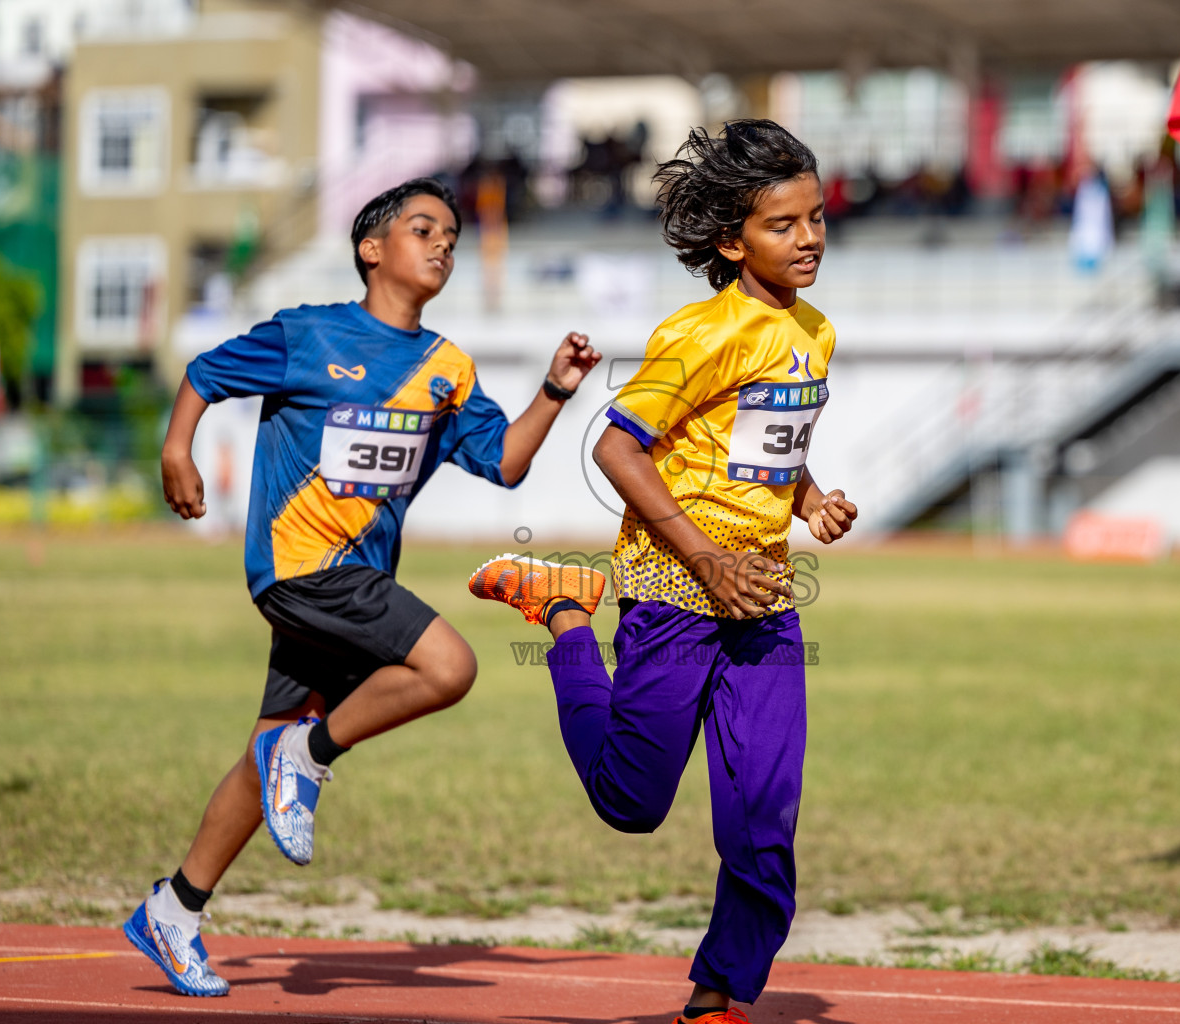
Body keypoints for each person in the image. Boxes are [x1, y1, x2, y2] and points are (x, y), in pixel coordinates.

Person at [123, 177, 600, 997]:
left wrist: (555, 390)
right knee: (449, 667)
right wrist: (177, 450)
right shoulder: (307, 335)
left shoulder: (446, 369)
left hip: (355, 581)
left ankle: (174, 907)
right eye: (425, 229)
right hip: (300, 567)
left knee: (262, 749)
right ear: (371, 249)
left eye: (451, 234)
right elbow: (205, 372)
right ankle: (308, 755)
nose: (444, 243)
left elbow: (507, 463)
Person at [469, 120, 858, 1024]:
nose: (809, 238)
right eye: (783, 224)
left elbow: (755, 449)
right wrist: (705, 556)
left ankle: (718, 994)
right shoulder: (699, 333)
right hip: (676, 594)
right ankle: (564, 612)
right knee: (631, 803)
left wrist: (808, 501)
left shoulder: (816, 332)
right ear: (732, 240)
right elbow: (615, 447)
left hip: (761, 600)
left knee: (765, 811)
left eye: (817, 217)